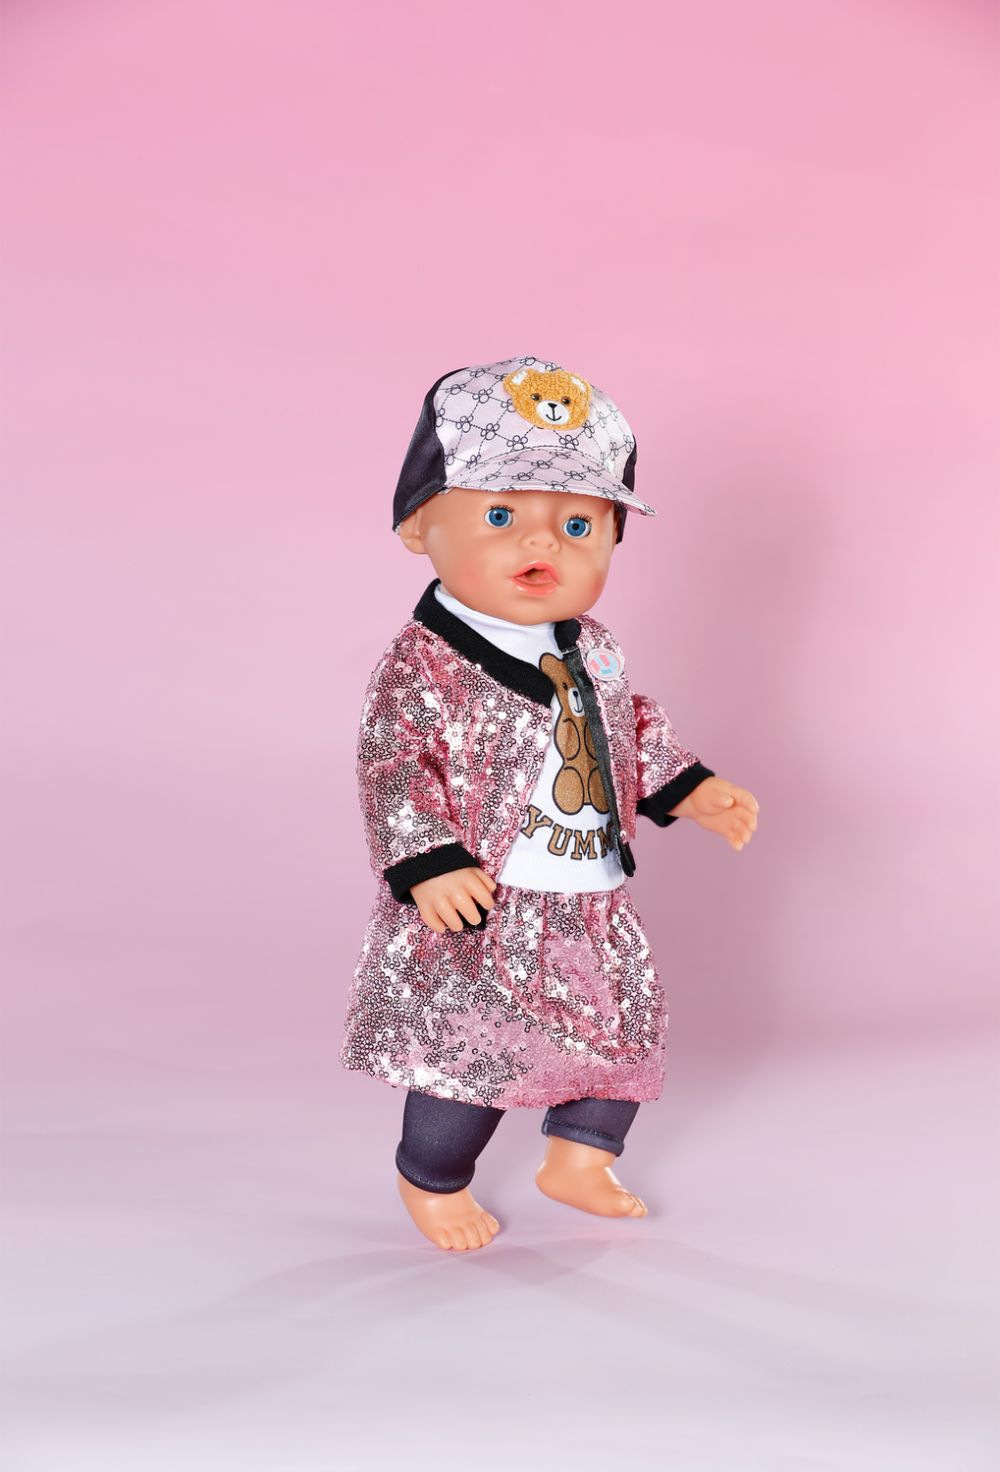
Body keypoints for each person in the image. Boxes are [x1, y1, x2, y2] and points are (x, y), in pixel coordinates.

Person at [339, 355, 759, 1252]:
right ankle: (433, 1176)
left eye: (578, 524)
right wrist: (429, 862)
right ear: (419, 525)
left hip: (588, 893)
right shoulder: (425, 663)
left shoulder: (591, 645)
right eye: (501, 517)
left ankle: (580, 1156)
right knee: (473, 1055)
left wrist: (690, 788)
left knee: (622, 1031)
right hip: (487, 900)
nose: (547, 545)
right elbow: (394, 765)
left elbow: (626, 725)